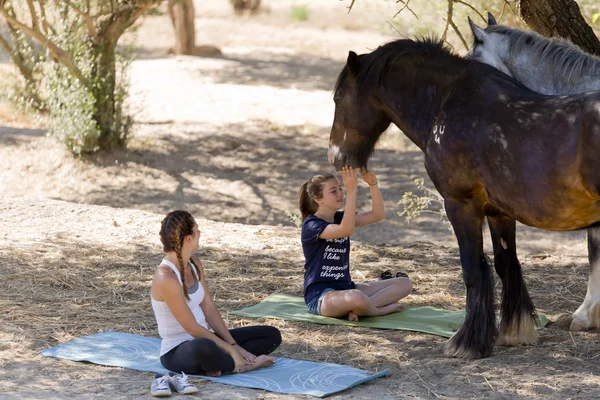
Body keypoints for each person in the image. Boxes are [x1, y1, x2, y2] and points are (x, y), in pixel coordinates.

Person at [151, 210, 282, 379]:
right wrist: (232, 350)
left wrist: (233, 344)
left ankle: (218, 364)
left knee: (270, 335)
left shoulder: (195, 263)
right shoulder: (166, 277)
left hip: (206, 338)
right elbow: (191, 328)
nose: (200, 233)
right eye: (197, 230)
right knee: (205, 347)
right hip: (178, 350)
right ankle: (243, 366)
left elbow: (209, 309)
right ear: (188, 238)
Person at [299, 166, 413, 321]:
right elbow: (346, 230)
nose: (340, 194)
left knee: (405, 284)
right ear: (318, 199)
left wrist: (373, 184)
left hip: (347, 288)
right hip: (321, 296)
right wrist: (352, 190)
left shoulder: (339, 217)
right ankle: (377, 311)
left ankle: (361, 309)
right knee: (356, 297)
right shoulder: (311, 225)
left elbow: (377, 215)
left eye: (340, 189)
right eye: (333, 191)